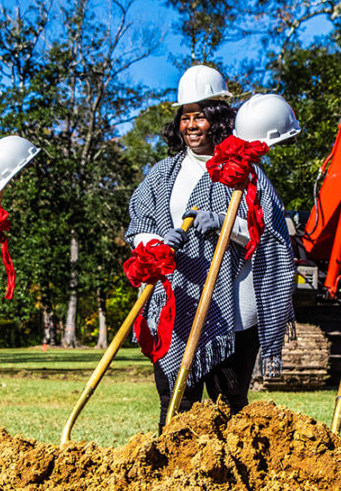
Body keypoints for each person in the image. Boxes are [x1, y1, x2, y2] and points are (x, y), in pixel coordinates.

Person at [125, 65, 296, 428]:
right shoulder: (162, 173)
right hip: (176, 303)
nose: (191, 125)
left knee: (230, 405)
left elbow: (270, 235)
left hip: (230, 309)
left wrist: (225, 225)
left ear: (217, 119)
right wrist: (155, 242)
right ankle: (171, 475)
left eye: (199, 116)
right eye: (185, 117)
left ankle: (231, 477)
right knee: (175, 401)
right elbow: (138, 224)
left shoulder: (245, 173)